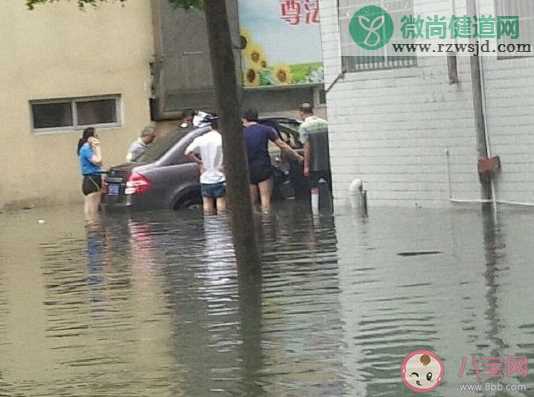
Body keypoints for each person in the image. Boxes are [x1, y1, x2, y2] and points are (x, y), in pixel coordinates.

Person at [242, 108, 303, 212]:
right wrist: (298, 157)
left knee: (251, 202)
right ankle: (267, 223)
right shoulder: (266, 129)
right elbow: (282, 145)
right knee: (265, 200)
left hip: (247, 168)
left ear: (244, 119)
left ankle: (254, 224)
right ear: (257, 117)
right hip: (263, 167)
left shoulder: (240, 132)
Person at [185, 116, 226, 215]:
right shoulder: (222, 139)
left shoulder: (201, 139)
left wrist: (199, 162)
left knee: (207, 202)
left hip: (205, 177)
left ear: (211, 127)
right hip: (220, 175)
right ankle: (222, 222)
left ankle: (209, 224)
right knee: (221, 200)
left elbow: (187, 152)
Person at [298, 103, 332, 212]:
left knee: (314, 189)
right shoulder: (325, 123)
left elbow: (307, 147)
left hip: (314, 165)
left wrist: (306, 166)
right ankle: (333, 208)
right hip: (328, 163)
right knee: (332, 187)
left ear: (302, 113)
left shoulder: (304, 127)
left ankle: (315, 212)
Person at [77, 127, 103, 221]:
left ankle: (91, 229)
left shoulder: (86, 148)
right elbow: (98, 161)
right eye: (96, 135)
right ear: (90, 138)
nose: (98, 137)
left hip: (90, 179)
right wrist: (98, 148)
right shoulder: (86, 148)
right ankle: (94, 230)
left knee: (89, 209)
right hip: (92, 179)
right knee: (93, 211)